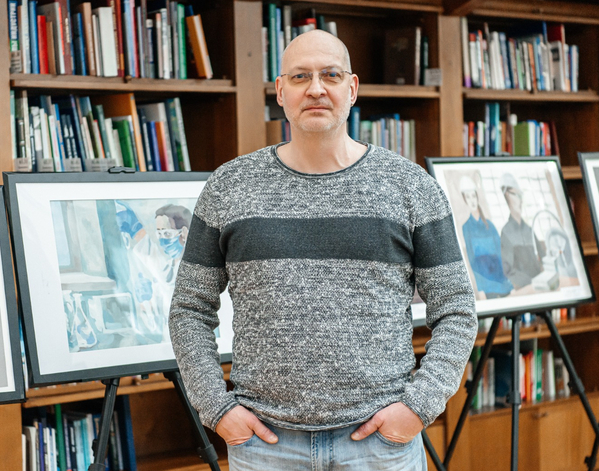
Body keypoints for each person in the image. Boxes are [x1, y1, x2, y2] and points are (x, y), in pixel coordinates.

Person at [169, 29, 477, 471]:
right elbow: (189, 309)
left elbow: (457, 309)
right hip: (266, 446)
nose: (316, 88)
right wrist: (216, 408)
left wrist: (418, 407)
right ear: (281, 91)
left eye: (330, 75)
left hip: (380, 446)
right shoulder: (228, 187)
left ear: (352, 88)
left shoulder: (410, 187)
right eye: (300, 77)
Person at [116, 201, 192, 339]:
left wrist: (135, 228)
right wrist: (147, 301)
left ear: (185, 233)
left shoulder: (195, 270)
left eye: (167, 233)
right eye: (159, 234)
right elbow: (152, 258)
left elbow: (160, 269)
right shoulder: (169, 267)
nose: (163, 241)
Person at [459, 175, 512, 299]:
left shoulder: (490, 225)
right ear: (465, 200)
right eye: (468, 197)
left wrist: (507, 280)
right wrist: (480, 288)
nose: (472, 200)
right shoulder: (466, 227)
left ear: (477, 197)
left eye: (473, 196)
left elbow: (500, 253)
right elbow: (472, 259)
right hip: (486, 284)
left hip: (500, 279)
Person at [499, 173, 545, 290]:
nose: (519, 200)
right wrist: (531, 283)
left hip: (542, 285)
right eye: (515, 195)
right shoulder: (506, 232)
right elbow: (508, 271)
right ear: (507, 196)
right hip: (524, 289)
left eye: (520, 195)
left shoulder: (529, 230)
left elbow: (543, 257)